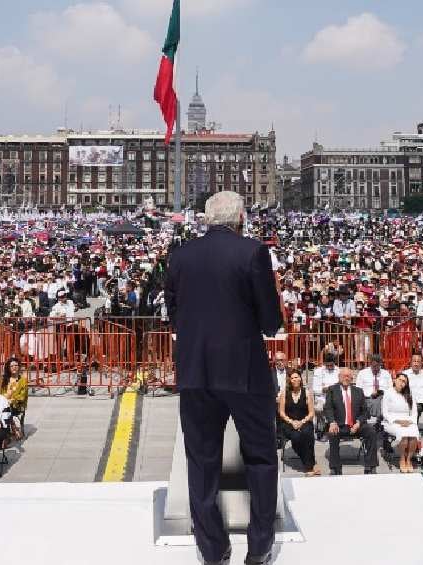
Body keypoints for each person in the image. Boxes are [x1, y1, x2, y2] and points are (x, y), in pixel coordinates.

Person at [164, 191, 284, 565]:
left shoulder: (181, 255)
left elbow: (172, 309)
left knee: (201, 462)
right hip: (244, 370)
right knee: (261, 458)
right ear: (241, 218)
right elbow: (270, 322)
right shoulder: (252, 252)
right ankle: (259, 547)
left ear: (206, 218)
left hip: (196, 371)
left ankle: (213, 549)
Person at [277, 371, 319, 476]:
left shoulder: (307, 393)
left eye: (297, 377)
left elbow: (311, 413)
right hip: (288, 422)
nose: (295, 379)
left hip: (304, 421)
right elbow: (281, 413)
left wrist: (301, 422)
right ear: (289, 381)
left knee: (307, 434)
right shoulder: (284, 394)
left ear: (300, 379)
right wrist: (292, 422)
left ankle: (309, 466)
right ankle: (310, 464)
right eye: (292, 378)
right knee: (296, 437)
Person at [381, 372, 420, 472]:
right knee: (403, 434)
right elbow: (385, 412)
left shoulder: (409, 393)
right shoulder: (388, 392)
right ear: (395, 380)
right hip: (392, 421)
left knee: (413, 434)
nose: (402, 383)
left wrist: (410, 421)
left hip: (408, 420)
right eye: (400, 380)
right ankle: (402, 458)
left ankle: (408, 459)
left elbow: (414, 411)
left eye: (404, 382)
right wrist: (397, 421)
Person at [401, 354, 423, 418]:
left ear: (421, 363)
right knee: (417, 408)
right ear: (411, 362)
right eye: (414, 361)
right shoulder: (405, 374)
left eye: (418, 361)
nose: (416, 364)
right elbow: (401, 388)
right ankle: (414, 426)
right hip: (412, 401)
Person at [0, 357, 29, 434]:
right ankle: (12, 426)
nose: (14, 367)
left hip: (17, 405)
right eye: (12, 366)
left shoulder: (23, 380)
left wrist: (12, 400)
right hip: (4, 404)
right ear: (8, 368)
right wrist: (5, 399)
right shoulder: (4, 379)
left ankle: (8, 431)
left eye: (16, 365)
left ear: (19, 367)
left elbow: (22, 396)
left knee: (6, 409)